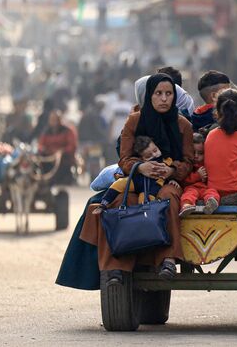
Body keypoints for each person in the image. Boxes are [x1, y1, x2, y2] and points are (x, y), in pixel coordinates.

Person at [80, 73, 194, 283]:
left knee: (167, 199)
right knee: (119, 203)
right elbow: (124, 158)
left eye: (168, 94)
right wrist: (142, 167)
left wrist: (172, 171)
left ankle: (168, 260)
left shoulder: (183, 125)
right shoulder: (134, 121)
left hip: (169, 181)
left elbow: (188, 161)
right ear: (149, 95)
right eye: (158, 93)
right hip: (138, 178)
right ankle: (115, 269)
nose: (163, 98)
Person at [92, 136, 178, 214]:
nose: (154, 155)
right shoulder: (137, 161)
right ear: (142, 158)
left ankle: (145, 217)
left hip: (152, 186)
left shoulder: (167, 160)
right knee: (120, 184)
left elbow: (171, 170)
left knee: (145, 199)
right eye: (148, 156)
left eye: (155, 150)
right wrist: (139, 167)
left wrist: (172, 177)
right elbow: (126, 162)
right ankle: (103, 204)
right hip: (137, 181)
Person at [178, 132, 220, 216]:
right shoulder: (187, 164)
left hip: (206, 187)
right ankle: (186, 206)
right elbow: (183, 180)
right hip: (192, 187)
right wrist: (197, 175)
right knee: (188, 195)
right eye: (193, 153)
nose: (196, 156)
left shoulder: (207, 163)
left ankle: (211, 204)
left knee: (212, 192)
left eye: (200, 153)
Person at [37, 110, 78, 185]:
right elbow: (40, 145)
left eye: (56, 119)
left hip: (64, 157)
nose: (54, 122)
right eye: (52, 120)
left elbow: (72, 146)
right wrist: (45, 150)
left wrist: (61, 151)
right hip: (49, 156)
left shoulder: (68, 130)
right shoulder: (46, 131)